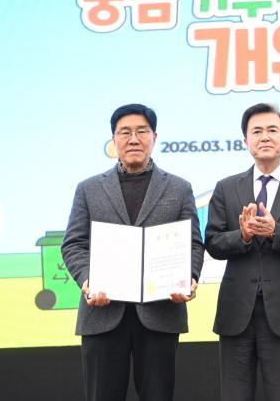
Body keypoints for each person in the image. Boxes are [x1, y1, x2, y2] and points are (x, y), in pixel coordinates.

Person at [61, 103, 204, 401]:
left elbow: (193, 243)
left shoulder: (179, 188)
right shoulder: (88, 189)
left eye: (142, 131)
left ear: (154, 137)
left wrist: (188, 279)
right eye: (125, 132)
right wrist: (88, 281)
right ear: (114, 140)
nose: (134, 139)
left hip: (160, 312)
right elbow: (74, 243)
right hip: (102, 313)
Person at [205, 103, 280, 401]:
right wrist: (243, 235)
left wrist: (276, 232)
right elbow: (213, 243)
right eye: (256, 131)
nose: (265, 137)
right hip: (236, 311)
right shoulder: (226, 188)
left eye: (273, 130)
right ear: (246, 140)